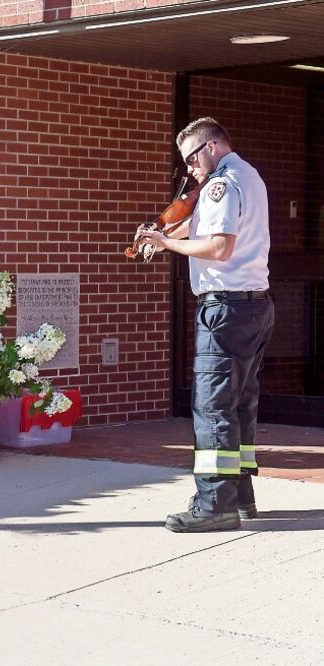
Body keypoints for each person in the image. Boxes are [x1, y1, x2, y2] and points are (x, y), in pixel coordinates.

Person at [136, 117, 274, 533]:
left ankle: (214, 504)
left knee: (213, 408)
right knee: (240, 405)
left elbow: (218, 246)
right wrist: (167, 231)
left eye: (191, 159)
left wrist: (164, 243)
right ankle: (241, 497)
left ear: (211, 147)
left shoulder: (220, 184)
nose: (189, 170)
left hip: (225, 310)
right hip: (254, 306)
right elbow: (203, 228)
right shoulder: (249, 176)